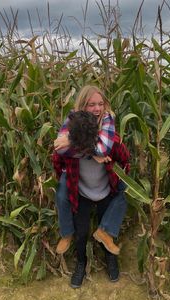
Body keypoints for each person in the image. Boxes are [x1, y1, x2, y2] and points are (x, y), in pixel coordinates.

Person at [52, 110, 130, 288]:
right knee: (81, 233)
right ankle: (81, 263)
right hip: (82, 193)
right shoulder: (67, 150)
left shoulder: (111, 143)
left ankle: (111, 260)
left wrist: (117, 174)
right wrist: (66, 179)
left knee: (106, 231)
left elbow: (125, 159)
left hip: (105, 191)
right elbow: (57, 161)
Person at [54, 85, 116, 255]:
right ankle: (67, 234)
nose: (97, 108)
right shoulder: (71, 120)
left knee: (122, 194)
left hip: (104, 178)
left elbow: (104, 149)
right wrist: (92, 154)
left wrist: (71, 140)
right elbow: (60, 148)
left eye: (100, 103)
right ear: (82, 105)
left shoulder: (107, 118)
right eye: (91, 104)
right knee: (61, 194)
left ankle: (108, 250)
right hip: (76, 176)